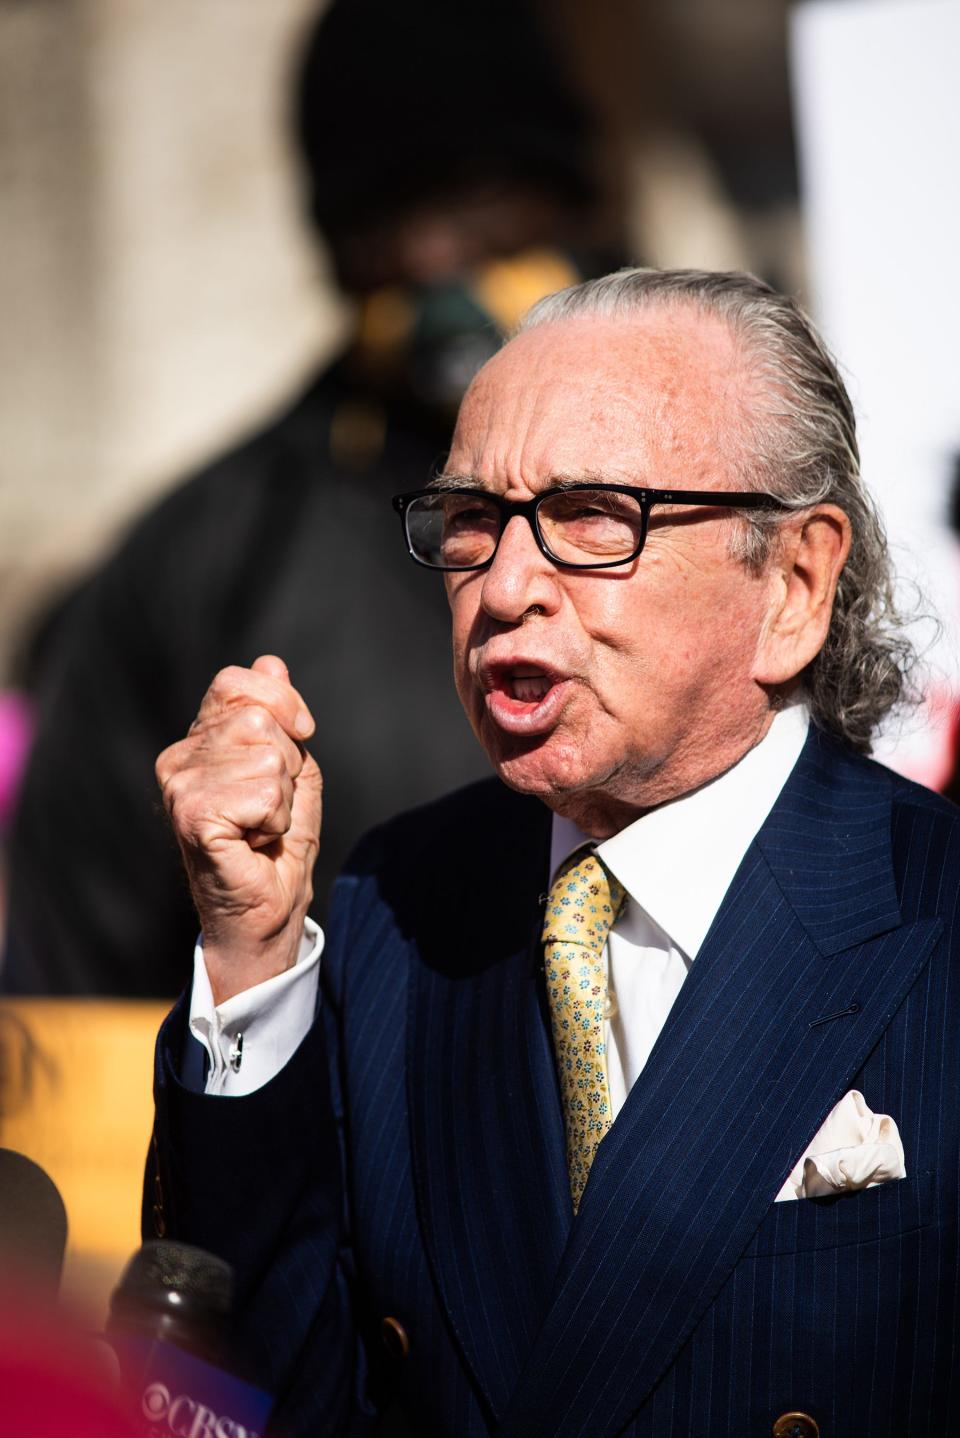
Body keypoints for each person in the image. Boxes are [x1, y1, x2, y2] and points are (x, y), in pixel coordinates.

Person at [148, 269, 960, 1437]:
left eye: (594, 515)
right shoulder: (393, 910)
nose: (506, 586)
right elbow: (254, 1398)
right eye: (472, 521)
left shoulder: (931, 915)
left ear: (792, 584)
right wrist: (251, 952)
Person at [2, 0, 611, 996]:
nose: (428, 262)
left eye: (471, 206)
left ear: (566, 206)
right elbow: (81, 984)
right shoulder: (206, 557)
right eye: (385, 221)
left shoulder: (711, 489)